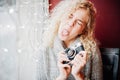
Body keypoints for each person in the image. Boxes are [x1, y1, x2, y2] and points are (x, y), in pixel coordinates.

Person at [38, 0, 103, 80]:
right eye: (69, 16)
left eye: (79, 22)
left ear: (83, 30)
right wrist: (62, 77)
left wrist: (79, 75)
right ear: (61, 16)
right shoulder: (45, 47)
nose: (71, 23)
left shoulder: (92, 49)